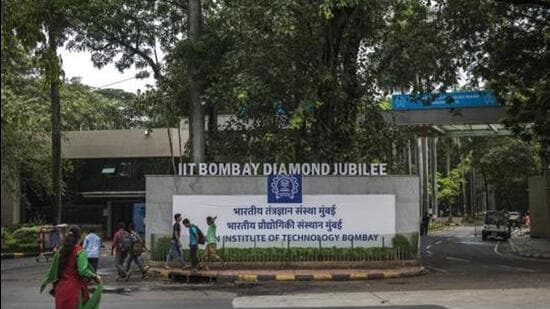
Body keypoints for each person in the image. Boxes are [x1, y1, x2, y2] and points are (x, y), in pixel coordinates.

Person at [40, 225, 102, 309]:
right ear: (79, 238)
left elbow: (53, 270)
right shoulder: (80, 251)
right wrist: (95, 276)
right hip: (74, 290)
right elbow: (82, 270)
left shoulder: (60, 251)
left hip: (60, 290)